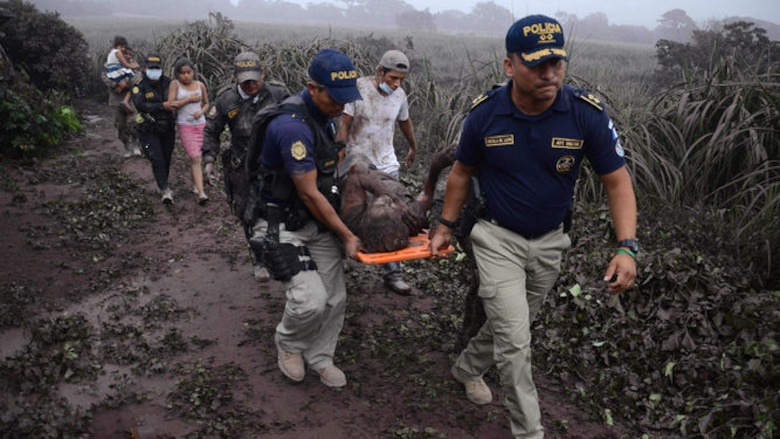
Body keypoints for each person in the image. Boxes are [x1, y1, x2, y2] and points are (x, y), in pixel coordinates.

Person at [429, 15, 638, 438]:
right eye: (537, 64)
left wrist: (626, 247)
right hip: (495, 237)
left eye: (556, 63)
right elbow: (461, 172)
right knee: (516, 343)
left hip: (550, 242)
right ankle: (530, 432)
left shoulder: (585, 114)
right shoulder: (486, 115)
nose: (549, 73)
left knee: (515, 325)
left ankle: (467, 366)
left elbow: (617, 180)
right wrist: (446, 225)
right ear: (510, 66)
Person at [244, 48, 362, 388]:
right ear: (313, 89)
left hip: (315, 220)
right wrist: (347, 235)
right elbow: (310, 193)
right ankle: (289, 345)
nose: (342, 106)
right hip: (281, 224)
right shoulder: (291, 128)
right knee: (310, 301)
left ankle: (321, 356)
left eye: (345, 99)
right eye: (335, 98)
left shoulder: (325, 116)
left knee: (335, 297)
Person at [337, 49, 419, 295]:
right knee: (350, 213)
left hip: (385, 164)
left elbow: (405, 121)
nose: (396, 84)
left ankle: (393, 273)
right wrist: (339, 159)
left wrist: (413, 146)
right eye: (393, 78)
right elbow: (344, 123)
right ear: (380, 71)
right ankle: (342, 258)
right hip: (357, 162)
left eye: (401, 80)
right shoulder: (358, 89)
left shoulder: (400, 95)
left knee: (392, 216)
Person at [202, 51, 290, 282]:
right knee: (247, 214)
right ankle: (259, 260)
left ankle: (280, 251)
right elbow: (211, 131)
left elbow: (297, 122)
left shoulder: (279, 94)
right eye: (245, 80)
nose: (251, 84)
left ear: (263, 73)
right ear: (235, 78)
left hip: (276, 165)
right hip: (242, 166)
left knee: (279, 210)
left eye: (255, 79)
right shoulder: (226, 99)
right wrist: (209, 160)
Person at [131, 53, 179, 205]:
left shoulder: (169, 83)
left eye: (157, 68)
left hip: (167, 128)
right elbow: (141, 105)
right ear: (145, 69)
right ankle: (165, 190)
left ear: (161, 68)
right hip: (148, 128)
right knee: (157, 157)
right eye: (151, 68)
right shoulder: (140, 86)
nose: (154, 71)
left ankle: (163, 183)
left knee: (166, 158)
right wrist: (161, 106)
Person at [169, 57, 210, 205]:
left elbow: (206, 103)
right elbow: (171, 104)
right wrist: (188, 100)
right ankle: (202, 193)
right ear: (177, 74)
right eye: (182, 73)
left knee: (200, 157)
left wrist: (201, 111)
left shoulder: (200, 85)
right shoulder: (175, 85)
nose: (186, 76)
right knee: (195, 157)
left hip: (201, 125)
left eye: (189, 72)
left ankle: (195, 184)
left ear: (193, 72)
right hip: (185, 126)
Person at [105, 35, 139, 114]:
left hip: (132, 103)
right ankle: (124, 99)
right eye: (125, 54)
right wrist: (116, 84)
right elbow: (105, 78)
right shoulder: (117, 54)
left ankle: (125, 99)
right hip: (116, 101)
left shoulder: (111, 55)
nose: (128, 56)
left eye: (130, 55)